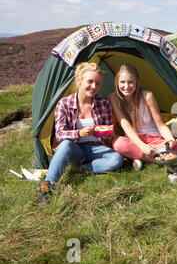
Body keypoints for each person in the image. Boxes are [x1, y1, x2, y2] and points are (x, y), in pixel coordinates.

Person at [38, 62, 123, 204]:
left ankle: (81, 168)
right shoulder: (64, 104)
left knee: (116, 159)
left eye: (97, 83)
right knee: (64, 145)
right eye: (90, 82)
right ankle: (47, 187)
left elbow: (108, 130)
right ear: (79, 80)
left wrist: (107, 132)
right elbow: (59, 134)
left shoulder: (104, 103)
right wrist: (79, 133)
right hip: (75, 149)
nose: (94, 87)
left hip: (97, 147)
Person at [109, 64, 177, 170]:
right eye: (122, 82)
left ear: (137, 82)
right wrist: (142, 146)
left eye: (130, 82)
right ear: (117, 82)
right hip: (135, 142)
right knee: (118, 143)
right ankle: (163, 158)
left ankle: (142, 158)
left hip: (156, 141)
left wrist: (170, 139)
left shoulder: (147, 96)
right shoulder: (114, 98)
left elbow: (160, 124)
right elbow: (126, 127)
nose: (126, 86)